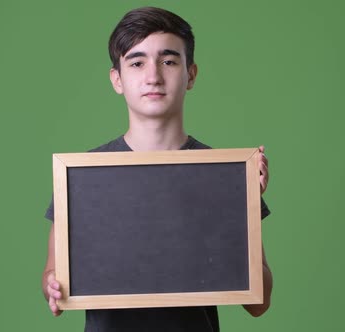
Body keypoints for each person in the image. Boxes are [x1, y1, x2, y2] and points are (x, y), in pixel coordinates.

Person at [42, 6, 273, 332]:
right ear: (117, 79)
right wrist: (53, 285)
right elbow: (52, 273)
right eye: (137, 63)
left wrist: (240, 203)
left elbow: (258, 303)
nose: (153, 76)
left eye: (168, 61)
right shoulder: (83, 177)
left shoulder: (224, 174)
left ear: (190, 75)